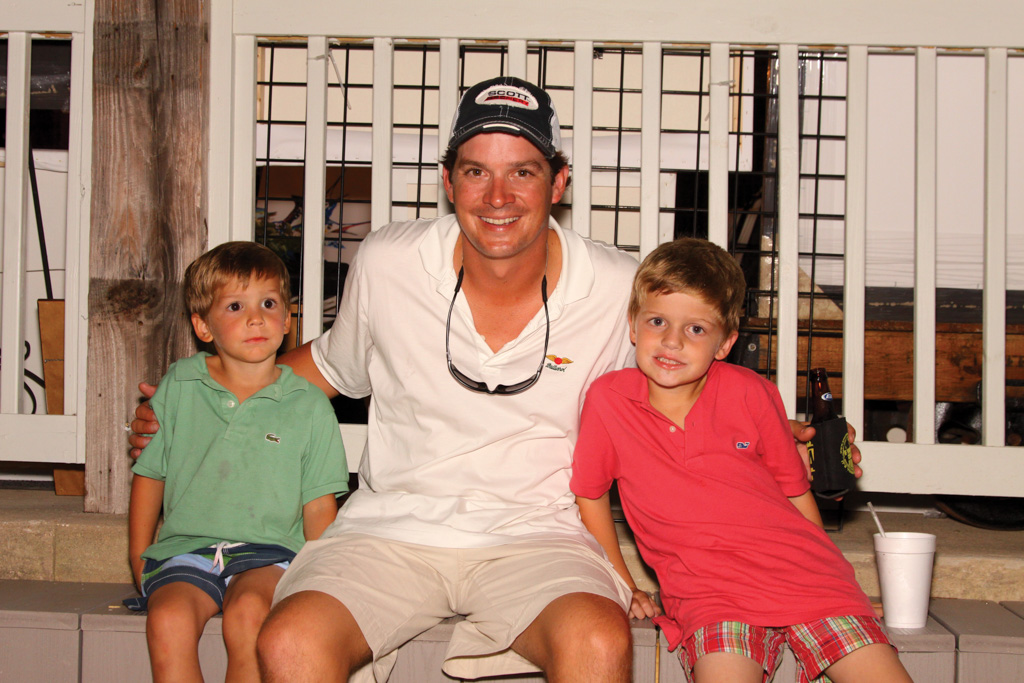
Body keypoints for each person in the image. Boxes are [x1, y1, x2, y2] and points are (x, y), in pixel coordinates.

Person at [130, 77, 859, 682]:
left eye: (523, 171)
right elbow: (323, 367)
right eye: (477, 170)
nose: (498, 195)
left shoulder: (616, 285)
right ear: (449, 181)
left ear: (559, 181)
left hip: (541, 532)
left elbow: (683, 385)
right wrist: (196, 398)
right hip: (391, 528)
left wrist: (778, 434)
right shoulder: (388, 262)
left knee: (599, 640)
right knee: (289, 642)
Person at [570, 238, 910, 683]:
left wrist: (842, 585)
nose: (671, 341)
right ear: (633, 325)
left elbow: (795, 492)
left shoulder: (752, 392)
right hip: (710, 596)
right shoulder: (609, 401)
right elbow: (590, 494)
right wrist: (623, 583)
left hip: (808, 579)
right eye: (657, 321)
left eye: (696, 329)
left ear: (725, 343)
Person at [128, 241, 349, 683]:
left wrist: (318, 577)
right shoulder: (180, 385)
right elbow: (150, 476)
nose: (256, 318)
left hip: (271, 553)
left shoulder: (309, 406)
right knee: (168, 618)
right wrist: (138, 557)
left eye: (268, 304)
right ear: (203, 325)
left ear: (287, 319)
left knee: (249, 613)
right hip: (186, 548)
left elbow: (319, 506)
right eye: (234, 306)